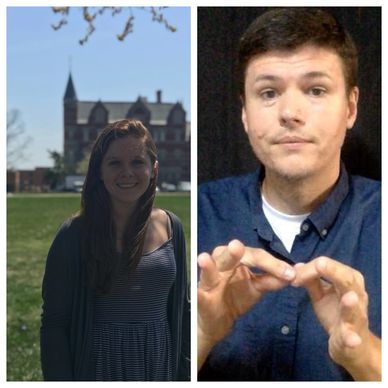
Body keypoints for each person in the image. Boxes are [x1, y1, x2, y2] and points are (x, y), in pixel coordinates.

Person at [198, 8, 381, 381]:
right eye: (268, 93)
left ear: (350, 106)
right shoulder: (191, 217)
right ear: (245, 114)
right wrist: (201, 333)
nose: (290, 113)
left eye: (315, 90)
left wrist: (363, 355)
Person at [40, 119, 190, 381]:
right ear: (99, 170)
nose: (127, 172)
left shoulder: (171, 227)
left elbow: (183, 311)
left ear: (154, 169)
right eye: (115, 163)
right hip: (98, 365)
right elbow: (54, 324)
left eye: (137, 162)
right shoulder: (73, 235)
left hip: (159, 363)